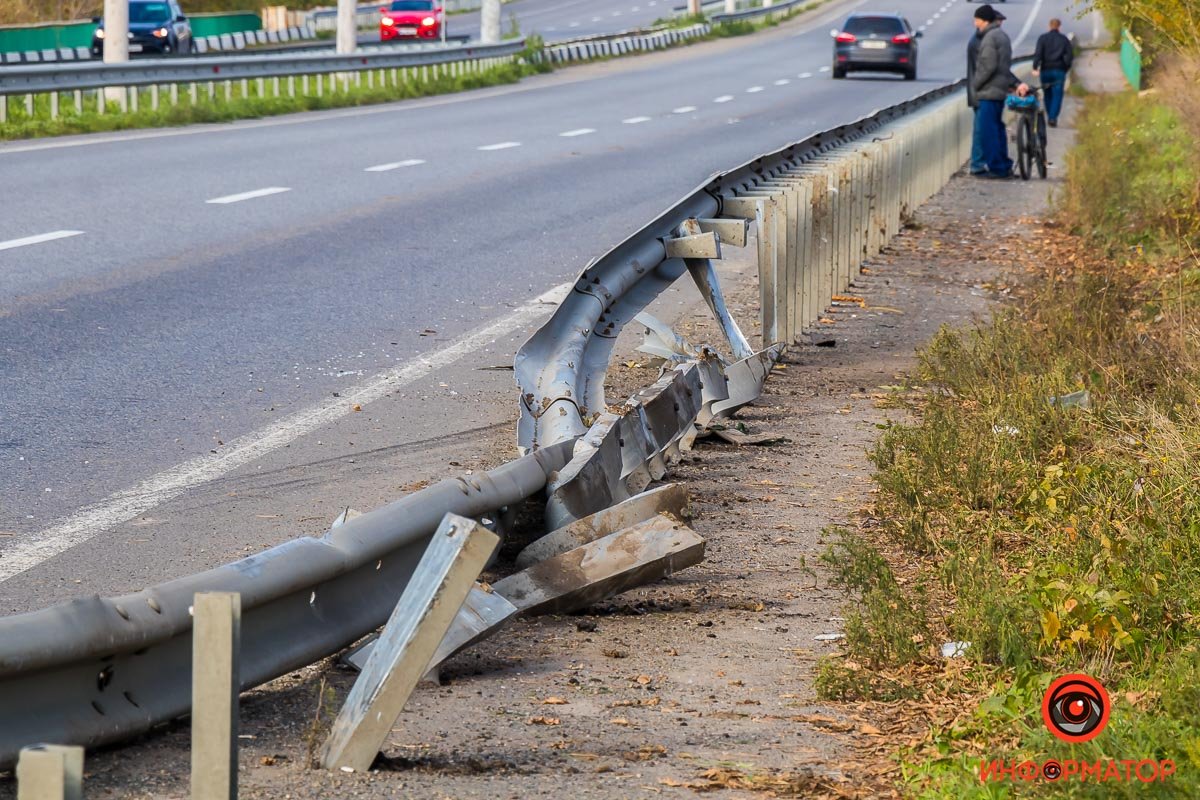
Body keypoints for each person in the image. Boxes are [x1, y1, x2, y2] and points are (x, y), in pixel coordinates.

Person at [972, 5, 1023, 178]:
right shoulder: (1001, 36)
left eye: (977, 19)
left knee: (989, 132)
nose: (975, 23)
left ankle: (997, 168)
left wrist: (976, 84)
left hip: (989, 91)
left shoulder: (990, 38)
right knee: (997, 129)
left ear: (984, 20)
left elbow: (988, 65)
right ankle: (1003, 165)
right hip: (999, 89)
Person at [966, 8, 1006, 175]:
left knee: (983, 129)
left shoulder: (983, 39)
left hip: (984, 90)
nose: (1001, 24)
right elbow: (988, 67)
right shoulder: (982, 40)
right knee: (984, 131)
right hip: (984, 91)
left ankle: (979, 163)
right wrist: (977, 84)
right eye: (999, 21)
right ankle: (979, 164)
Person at [1033, 18, 1073, 126]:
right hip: (1059, 70)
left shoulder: (1043, 38)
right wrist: (1066, 68)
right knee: (1057, 95)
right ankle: (1052, 117)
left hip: (1045, 70)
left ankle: (1050, 114)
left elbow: (1038, 54)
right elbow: (1069, 56)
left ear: (1049, 26)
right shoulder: (1064, 39)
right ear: (1059, 26)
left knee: (1047, 94)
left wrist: (1035, 67)